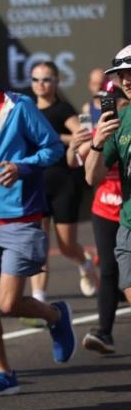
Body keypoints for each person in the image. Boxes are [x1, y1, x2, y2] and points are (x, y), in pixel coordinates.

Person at [0, 48, 74, 398]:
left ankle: (55, 315)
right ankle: (3, 371)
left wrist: (22, 166)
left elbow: (53, 148)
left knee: (8, 304)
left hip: (21, 218)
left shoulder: (18, 107)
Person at [27, 61, 96, 313]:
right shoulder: (27, 108)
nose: (40, 84)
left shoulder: (62, 109)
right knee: (39, 243)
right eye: (35, 79)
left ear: (56, 82)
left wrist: (56, 137)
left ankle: (85, 262)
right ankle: (39, 297)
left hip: (64, 183)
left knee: (66, 246)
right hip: (36, 184)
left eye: (46, 79)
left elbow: (83, 135)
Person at [72, 81, 129, 354]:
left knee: (120, 277)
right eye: (101, 100)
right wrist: (81, 144)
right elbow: (77, 163)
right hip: (105, 210)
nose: (106, 105)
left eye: (111, 100)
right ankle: (104, 332)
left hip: (126, 207)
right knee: (108, 270)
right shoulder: (101, 129)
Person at [84, 43, 131, 339]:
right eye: (121, 76)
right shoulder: (122, 120)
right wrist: (97, 143)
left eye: (130, 73)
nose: (125, 81)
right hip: (127, 225)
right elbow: (93, 176)